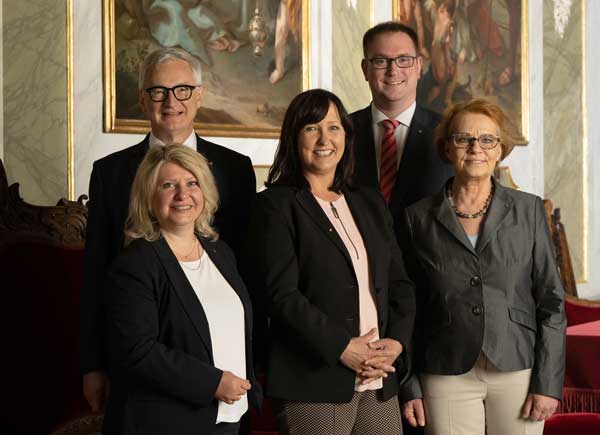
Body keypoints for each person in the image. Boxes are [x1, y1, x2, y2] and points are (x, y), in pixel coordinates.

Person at [80, 47, 256, 414]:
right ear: (143, 101)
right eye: (158, 91)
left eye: (182, 90)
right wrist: (92, 365)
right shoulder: (109, 173)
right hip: (143, 365)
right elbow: (96, 272)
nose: (170, 101)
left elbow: (245, 272)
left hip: (225, 373)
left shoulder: (236, 169)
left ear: (199, 95)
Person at [243, 89, 416, 435]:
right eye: (311, 128)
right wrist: (342, 348)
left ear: (347, 137)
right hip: (313, 380)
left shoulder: (368, 202)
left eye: (334, 128)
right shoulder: (276, 206)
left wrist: (395, 344)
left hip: (378, 379)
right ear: (294, 137)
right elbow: (281, 297)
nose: (325, 139)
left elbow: (400, 284)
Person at [399, 99, 566, 435]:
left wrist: (547, 383)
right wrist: (408, 384)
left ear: (500, 149)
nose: (476, 148)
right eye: (464, 139)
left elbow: (552, 302)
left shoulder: (529, 211)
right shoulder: (416, 218)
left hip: (516, 367)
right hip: (445, 371)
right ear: (447, 148)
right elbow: (406, 307)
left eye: (487, 140)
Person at [102, 144, 261, 435]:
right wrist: (213, 383)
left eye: (192, 183)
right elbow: (138, 352)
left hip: (229, 417)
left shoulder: (220, 252)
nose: (182, 195)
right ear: (149, 198)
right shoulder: (136, 263)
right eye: (168, 185)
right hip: (167, 421)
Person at [351, 21, 453, 224]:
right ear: (365, 69)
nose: (393, 70)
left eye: (404, 60)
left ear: (418, 66)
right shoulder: (340, 132)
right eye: (381, 61)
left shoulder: (448, 133)